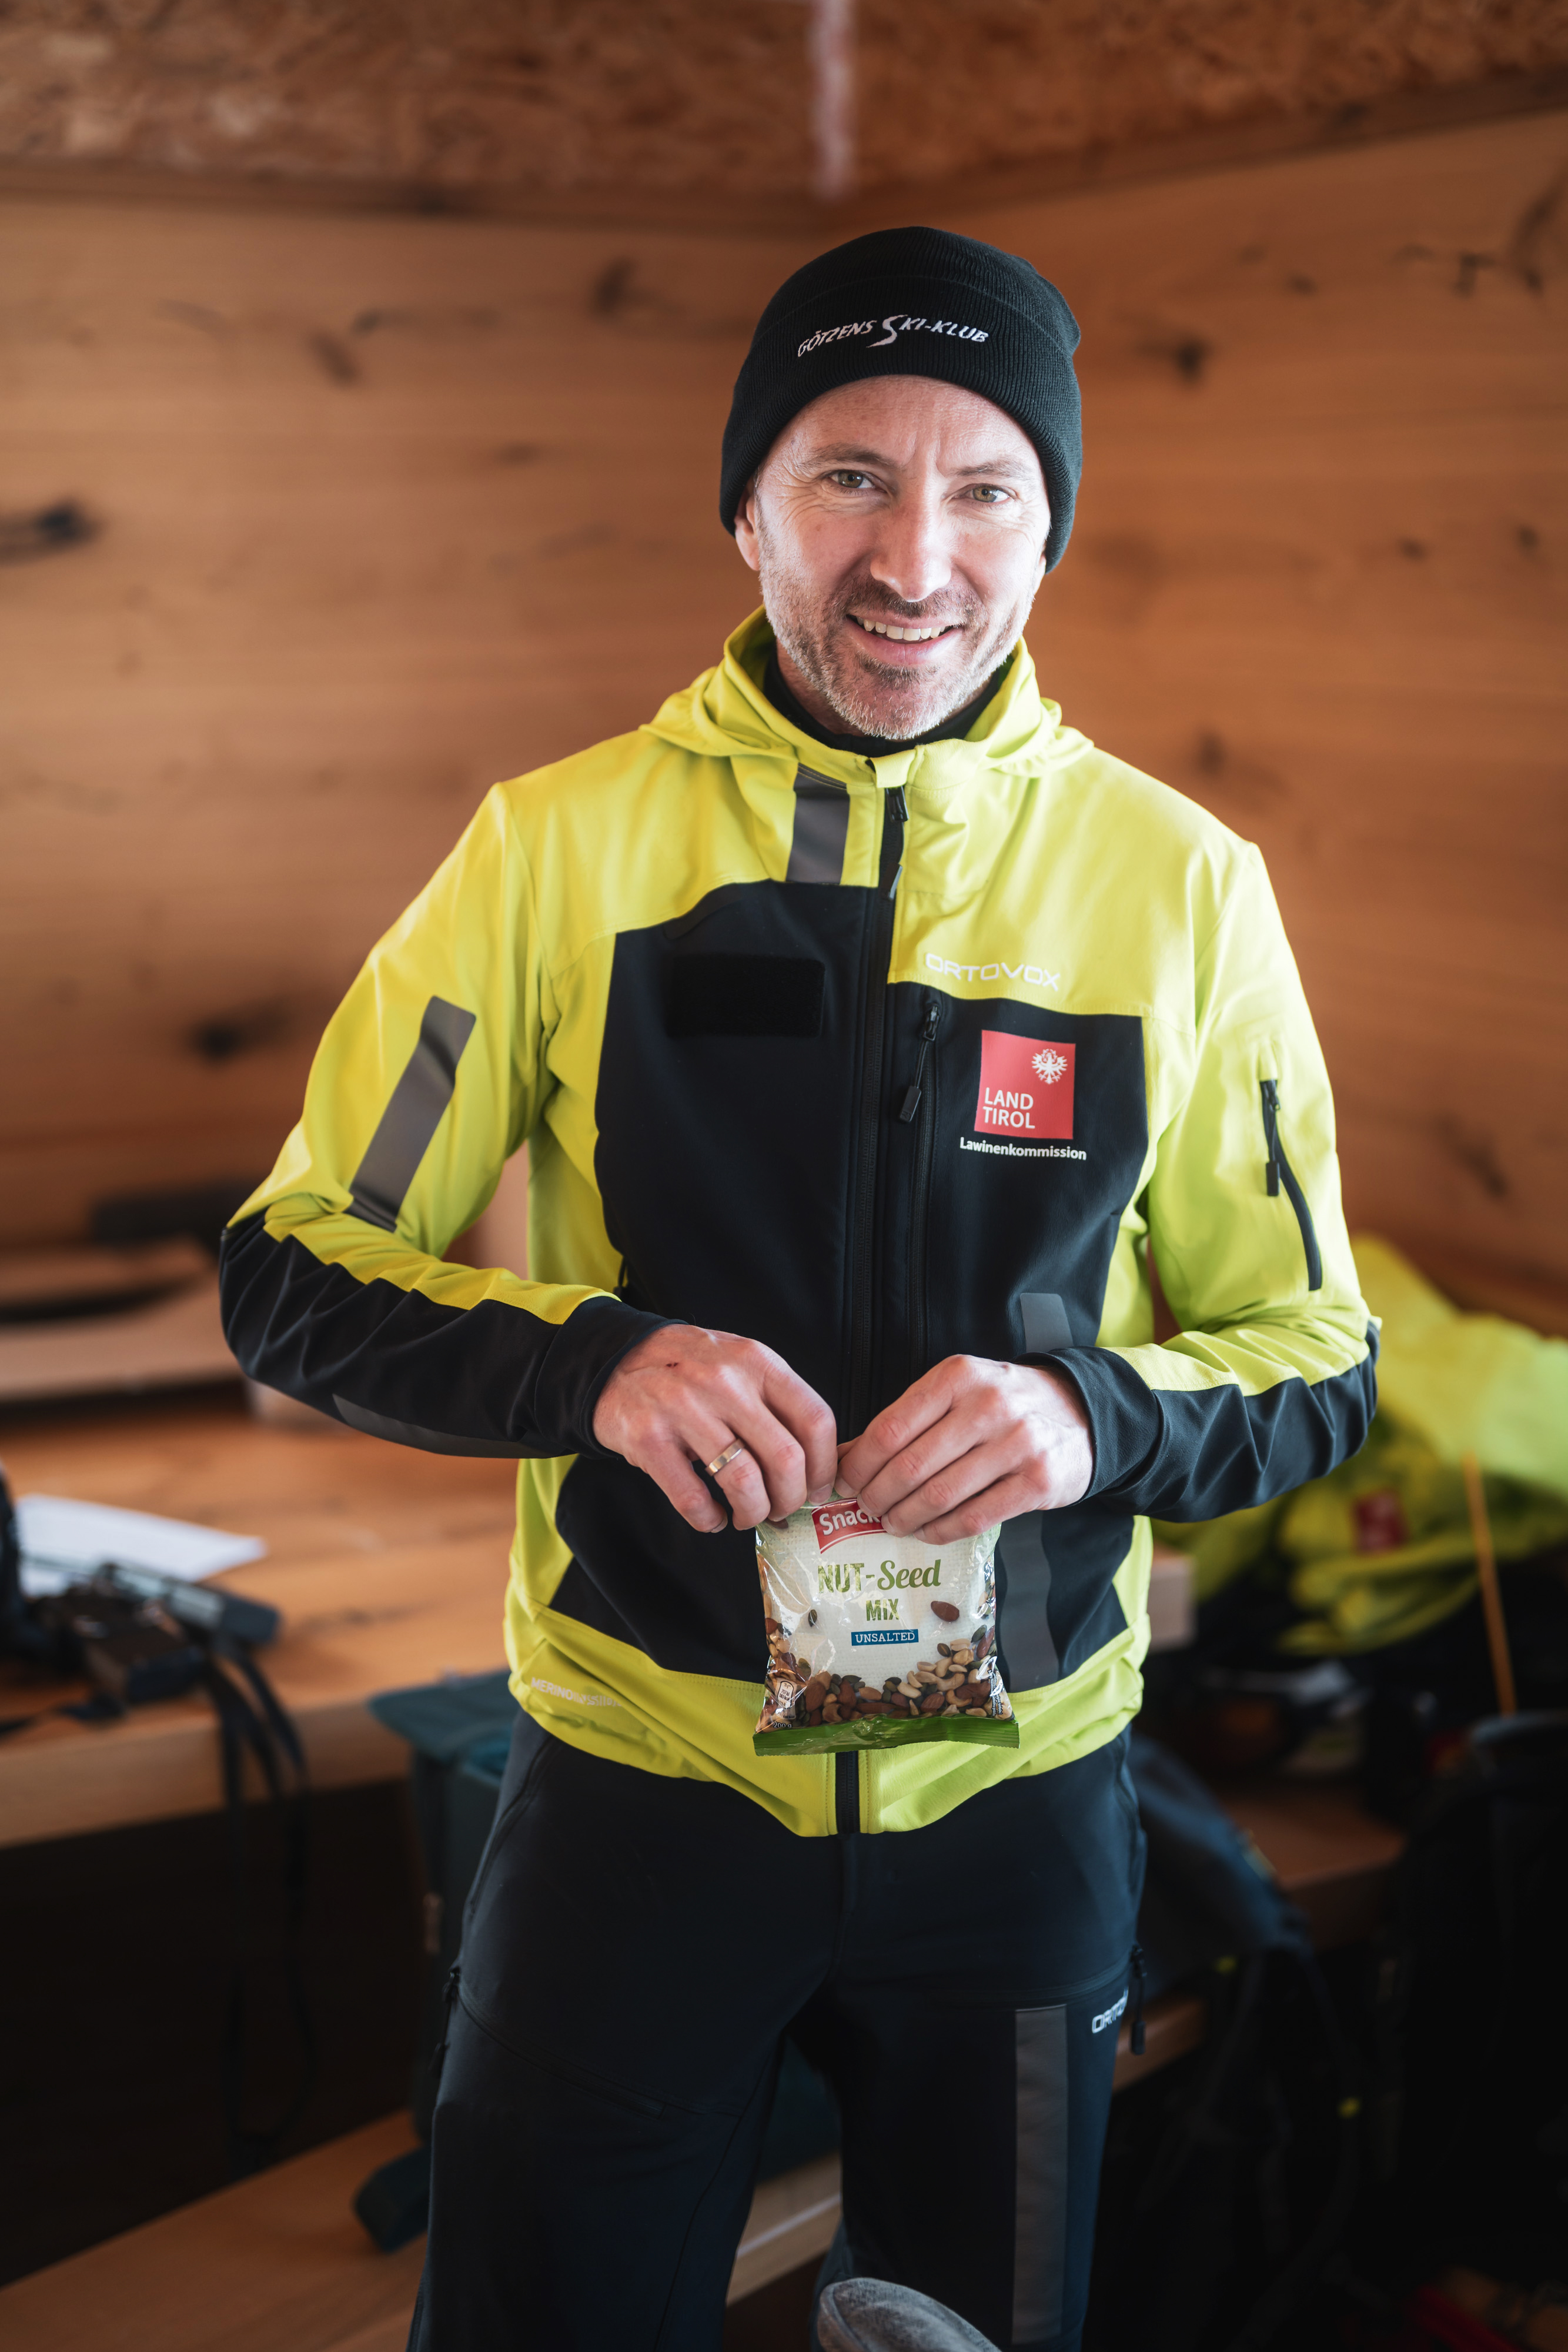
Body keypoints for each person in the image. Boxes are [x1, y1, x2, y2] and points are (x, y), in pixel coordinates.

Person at [219, 227, 1375, 2351]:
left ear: (1047, 528)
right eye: (848, 475)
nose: (913, 559)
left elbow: (1314, 1364)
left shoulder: (1183, 888)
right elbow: (293, 1273)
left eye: (985, 488)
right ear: (746, 505)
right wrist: (596, 1364)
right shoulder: (552, 850)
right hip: (637, 1796)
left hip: (1018, 1818)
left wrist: (1089, 1417)